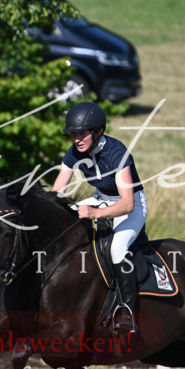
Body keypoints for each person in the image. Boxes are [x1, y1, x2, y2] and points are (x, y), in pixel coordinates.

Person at [52, 101, 147, 334]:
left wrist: (94, 213)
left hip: (131, 205)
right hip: (101, 198)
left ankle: (127, 312)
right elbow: (57, 191)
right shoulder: (74, 152)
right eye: (73, 134)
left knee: (117, 249)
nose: (76, 139)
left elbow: (127, 203)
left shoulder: (118, 153)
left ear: (98, 132)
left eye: (82, 133)